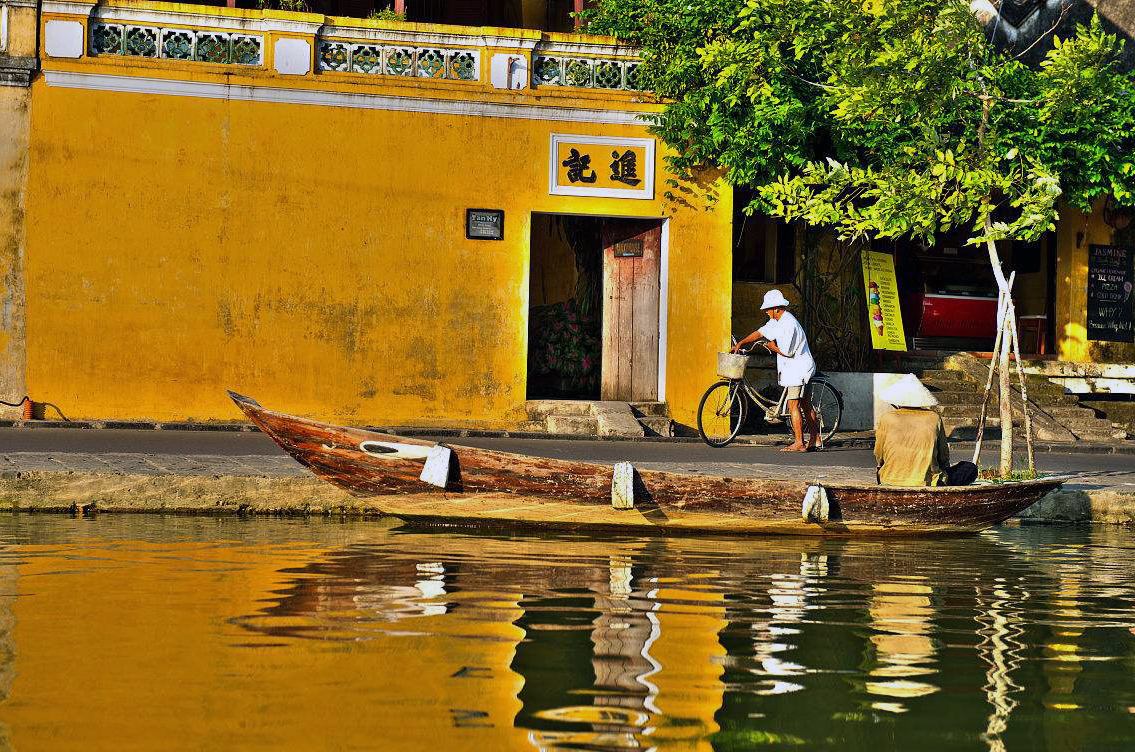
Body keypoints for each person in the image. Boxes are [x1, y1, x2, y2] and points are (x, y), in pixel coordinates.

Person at [732, 289, 819, 452]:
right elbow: (760, 332)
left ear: (776, 308)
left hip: (798, 369)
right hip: (799, 368)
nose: (765, 312)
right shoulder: (777, 321)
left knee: (793, 405)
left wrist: (772, 347)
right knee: (806, 405)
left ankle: (799, 442)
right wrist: (741, 343)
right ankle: (815, 439)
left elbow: (788, 351)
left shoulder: (789, 324)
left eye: (768, 309)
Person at [874, 374, 978, 487]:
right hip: (928, 482)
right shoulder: (934, 418)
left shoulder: (887, 418)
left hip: (889, 479)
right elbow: (943, 456)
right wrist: (942, 470)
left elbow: (879, 454)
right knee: (970, 468)